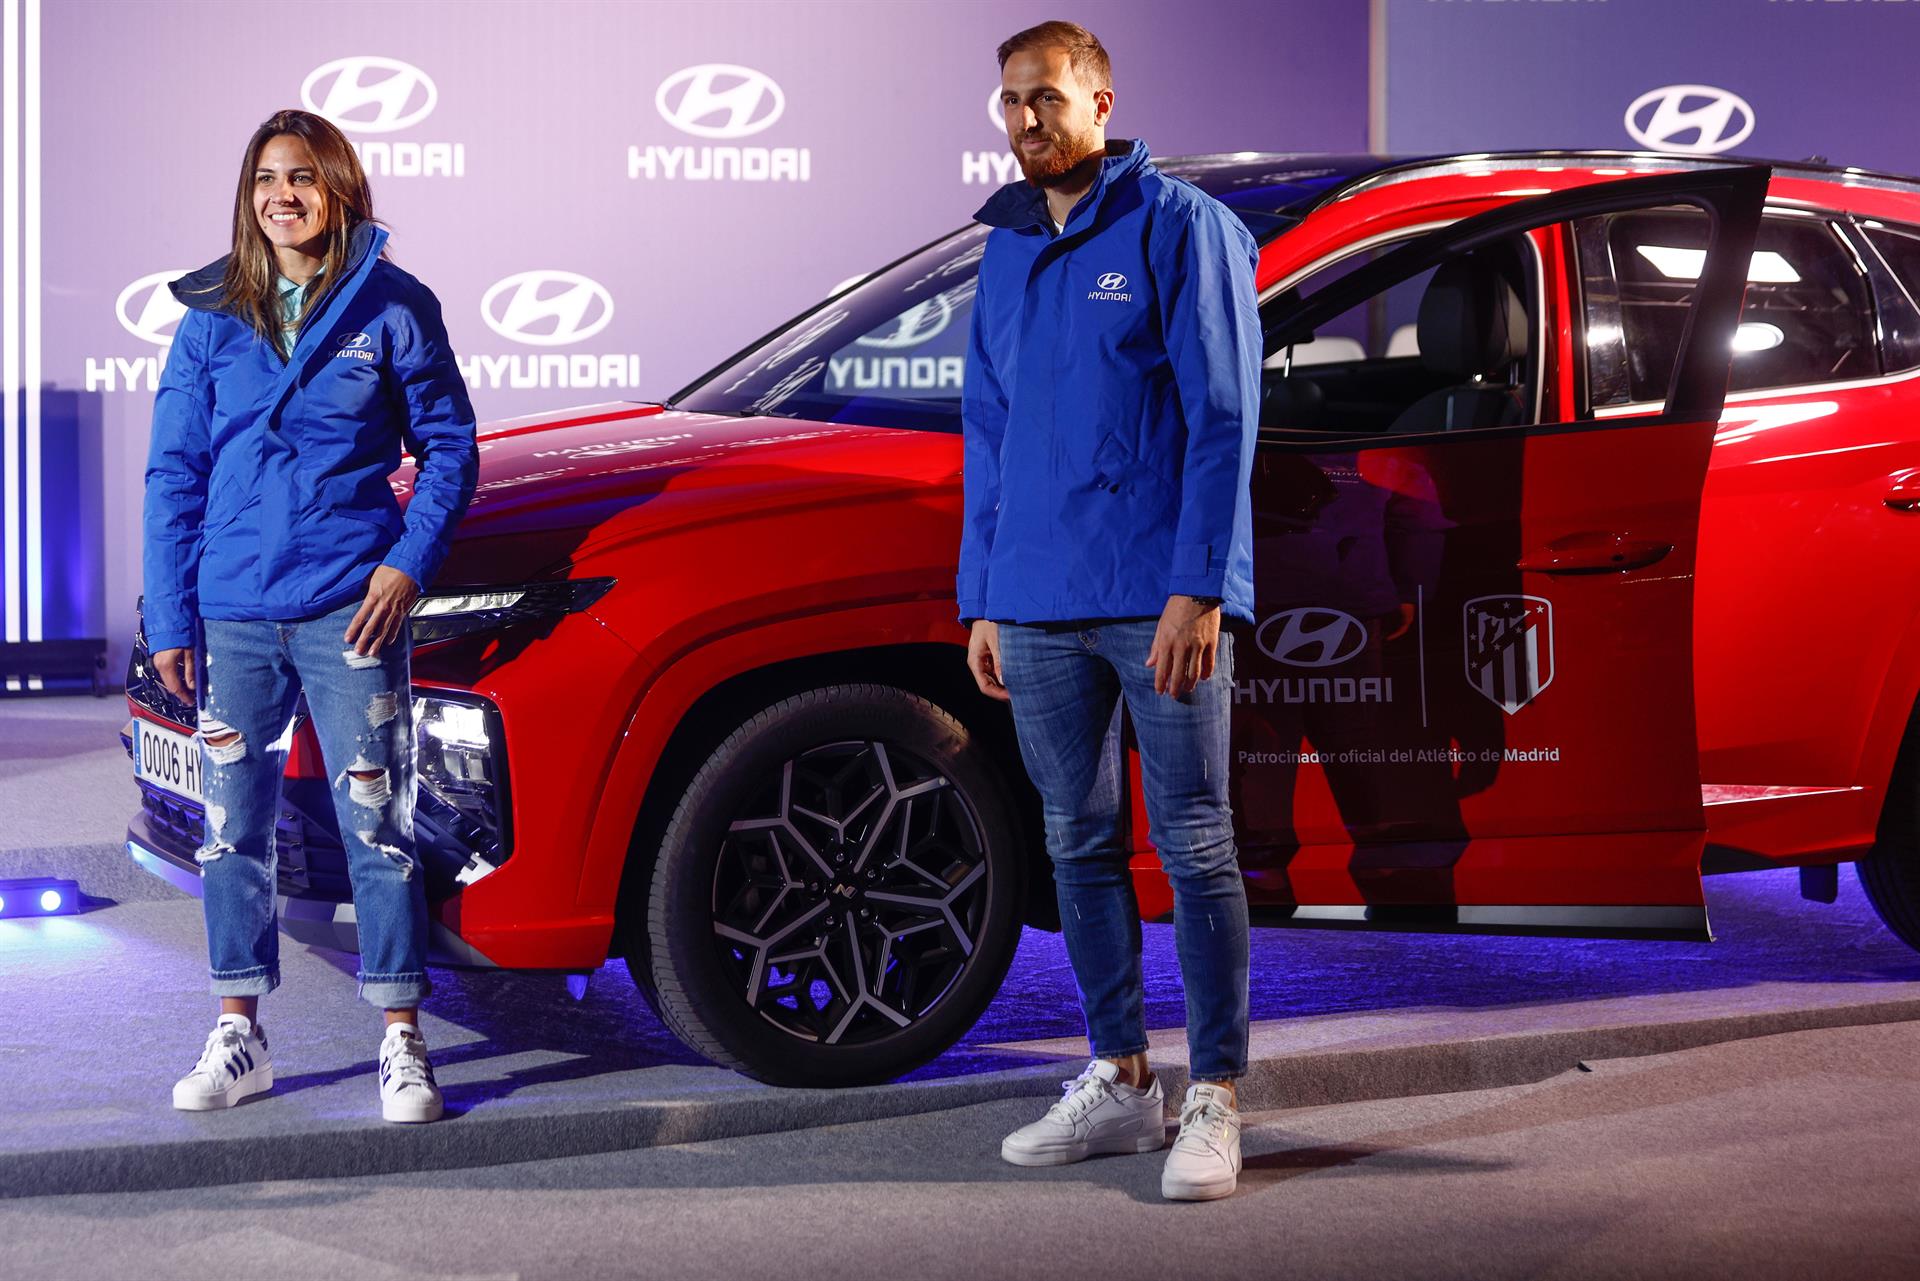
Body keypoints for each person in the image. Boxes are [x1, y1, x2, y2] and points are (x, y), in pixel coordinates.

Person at [959, 22, 1261, 1200]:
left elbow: (1224, 417)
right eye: (1010, 105)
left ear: (1100, 100)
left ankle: (1217, 1097)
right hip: (1032, 605)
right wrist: (982, 593)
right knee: (1079, 847)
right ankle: (1123, 1079)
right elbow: (987, 433)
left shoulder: (1184, 228)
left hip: (1155, 604)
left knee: (1193, 845)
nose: (1027, 122)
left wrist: (1202, 587)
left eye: (1046, 100)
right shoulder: (1002, 249)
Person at [142, 109, 478, 1123]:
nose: (280, 194)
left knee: (376, 828)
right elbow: (175, 470)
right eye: (264, 179)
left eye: (300, 176)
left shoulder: (396, 305)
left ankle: (401, 1040)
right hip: (235, 612)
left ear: (339, 187)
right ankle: (239, 1033)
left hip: (349, 610)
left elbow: (453, 448)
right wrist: (171, 615)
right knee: (230, 832)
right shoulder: (212, 316)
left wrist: (406, 567)